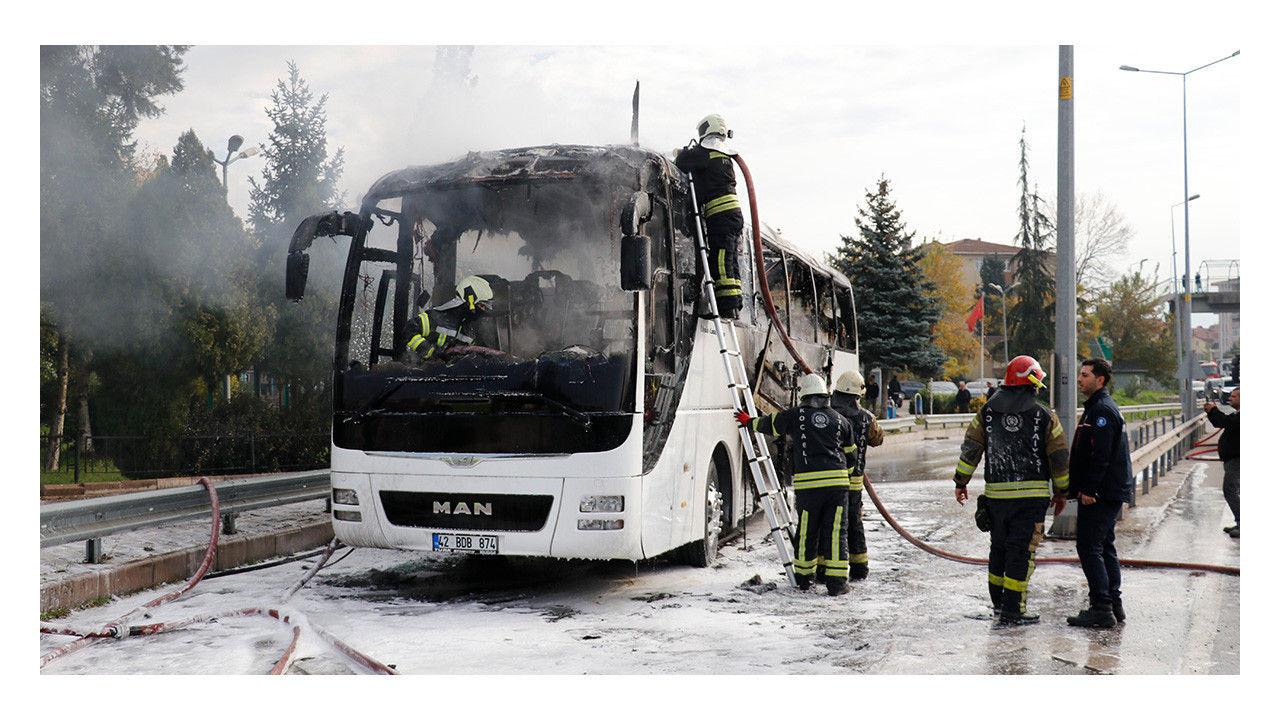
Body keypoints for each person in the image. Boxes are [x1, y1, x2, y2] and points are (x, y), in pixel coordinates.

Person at [953, 355, 1069, 625]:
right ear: (1031, 382)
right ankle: (1013, 609)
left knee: (999, 549)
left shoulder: (987, 413)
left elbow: (971, 448)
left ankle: (998, 605)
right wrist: (1062, 492)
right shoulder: (1045, 416)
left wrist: (961, 482)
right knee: (1021, 552)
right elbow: (1060, 458)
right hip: (1031, 500)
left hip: (997, 499)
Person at [738, 373, 855, 595]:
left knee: (807, 532)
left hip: (809, 488)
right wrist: (844, 479)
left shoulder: (795, 416)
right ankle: (837, 585)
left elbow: (770, 424)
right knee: (836, 533)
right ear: (825, 395)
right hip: (837, 488)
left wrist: (748, 422)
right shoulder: (841, 420)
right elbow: (851, 455)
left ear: (804, 395)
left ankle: (803, 578)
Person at [1066, 358, 1134, 628]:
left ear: (1100, 380)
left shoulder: (1102, 410)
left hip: (1101, 492)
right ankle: (1113, 604)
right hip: (1107, 491)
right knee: (1104, 545)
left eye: (1085, 375)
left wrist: (1090, 489)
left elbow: (1101, 454)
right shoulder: (1097, 408)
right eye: (1079, 374)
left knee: (1089, 545)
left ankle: (1101, 608)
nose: (1080, 379)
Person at [675, 114, 744, 319]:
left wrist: (678, 152)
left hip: (721, 217)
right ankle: (734, 305)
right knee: (730, 260)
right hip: (731, 216)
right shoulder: (723, 155)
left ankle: (725, 308)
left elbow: (682, 160)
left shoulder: (705, 152)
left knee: (720, 259)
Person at [830, 370, 884, 580]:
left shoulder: (828, 414)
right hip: (854, 484)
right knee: (854, 525)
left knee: (831, 526)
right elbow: (878, 439)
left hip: (831, 482)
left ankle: (825, 569)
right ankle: (860, 569)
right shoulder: (866, 418)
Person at [403, 275, 493, 361]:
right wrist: (431, 352)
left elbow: (475, 351)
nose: (483, 310)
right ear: (470, 301)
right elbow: (409, 330)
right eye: (481, 305)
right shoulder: (436, 317)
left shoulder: (469, 330)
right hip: (426, 374)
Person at [1205, 387, 1240, 538]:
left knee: (1229, 489)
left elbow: (1225, 421)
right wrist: (1212, 412)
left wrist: (1213, 411)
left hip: (1236, 459)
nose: (1230, 398)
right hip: (1232, 459)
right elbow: (1222, 423)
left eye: (1234, 396)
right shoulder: (1238, 415)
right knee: (1232, 489)